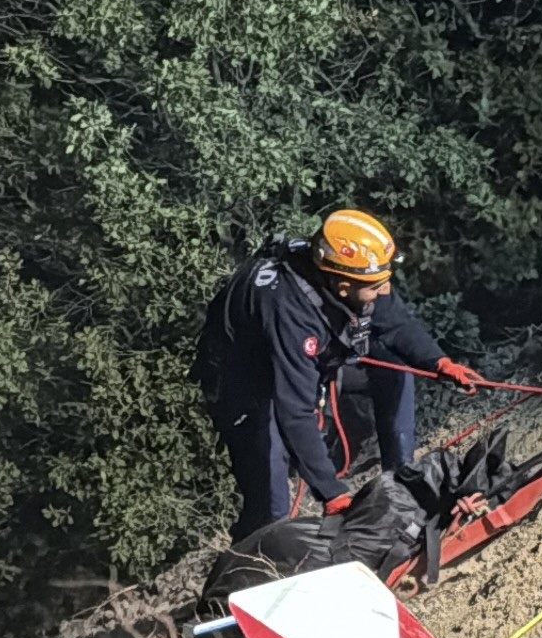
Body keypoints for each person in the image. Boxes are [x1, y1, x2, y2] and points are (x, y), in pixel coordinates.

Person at [191, 207, 480, 539]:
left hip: (305, 358)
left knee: (396, 372)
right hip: (246, 384)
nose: (385, 291)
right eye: (375, 286)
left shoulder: (350, 277)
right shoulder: (289, 310)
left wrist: (438, 361)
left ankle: (402, 481)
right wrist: (332, 493)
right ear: (342, 286)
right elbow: (295, 411)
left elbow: (395, 322)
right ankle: (258, 556)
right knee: (273, 504)